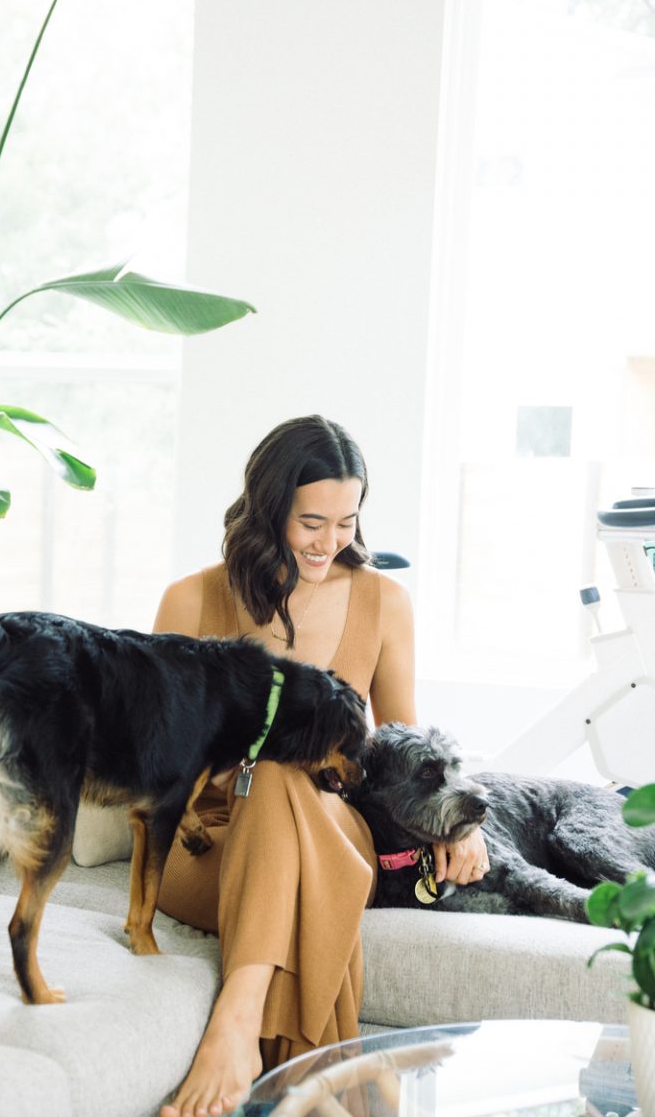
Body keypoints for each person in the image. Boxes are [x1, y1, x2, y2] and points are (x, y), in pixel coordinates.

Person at [154, 415, 489, 1117]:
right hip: (210, 843)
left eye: (345, 521)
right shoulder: (192, 600)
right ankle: (319, 1085)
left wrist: (460, 824)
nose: (329, 541)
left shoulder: (383, 602)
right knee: (273, 775)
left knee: (284, 778)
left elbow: (404, 743)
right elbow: (157, 759)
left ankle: (237, 1026)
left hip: (339, 831)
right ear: (269, 506)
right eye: (311, 521)